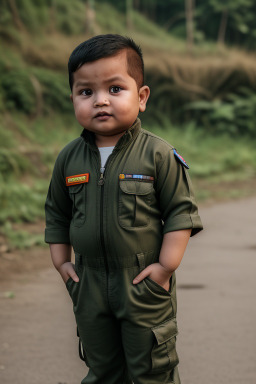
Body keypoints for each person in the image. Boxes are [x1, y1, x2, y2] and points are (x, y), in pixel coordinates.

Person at [45, 34, 203, 384]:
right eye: (86, 92)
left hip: (142, 281)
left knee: (151, 369)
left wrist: (164, 267)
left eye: (115, 89)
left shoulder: (158, 155)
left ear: (141, 96)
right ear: (72, 98)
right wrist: (61, 263)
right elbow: (57, 213)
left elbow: (180, 213)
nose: (100, 101)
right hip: (88, 283)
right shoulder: (68, 159)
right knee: (102, 369)